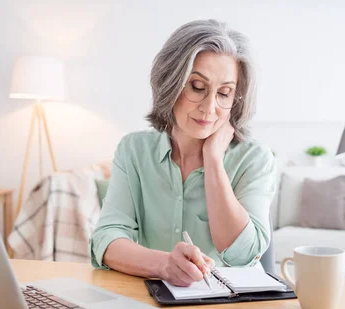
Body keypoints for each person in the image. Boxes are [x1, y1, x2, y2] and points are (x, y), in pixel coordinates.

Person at [89, 20, 276, 287]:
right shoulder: (134, 150)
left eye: (224, 93)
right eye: (197, 87)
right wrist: (163, 265)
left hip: (231, 306)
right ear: (170, 83)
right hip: (152, 302)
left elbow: (243, 255)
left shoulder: (254, 158)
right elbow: (106, 239)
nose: (210, 108)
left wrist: (213, 160)